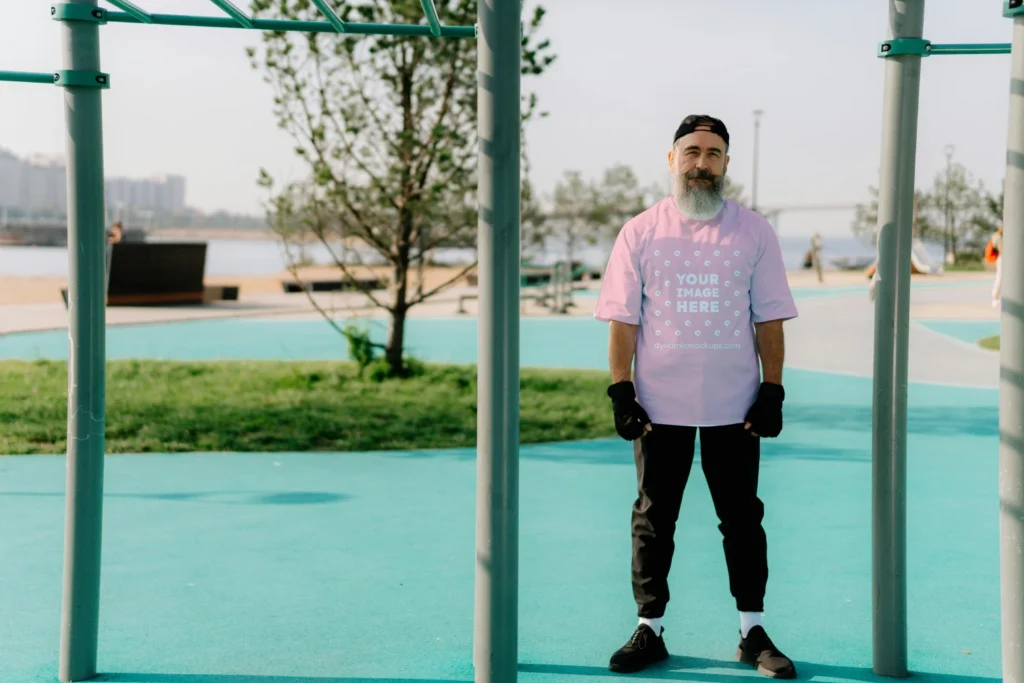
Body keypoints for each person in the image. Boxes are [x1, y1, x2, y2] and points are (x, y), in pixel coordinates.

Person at [594, 114, 799, 678]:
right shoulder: (640, 231)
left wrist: (772, 390)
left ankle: (752, 631)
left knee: (742, 520)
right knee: (654, 519)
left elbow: (771, 317)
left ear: (726, 162)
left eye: (713, 153)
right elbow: (622, 319)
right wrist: (621, 391)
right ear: (671, 160)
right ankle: (649, 629)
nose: (702, 162)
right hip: (661, 410)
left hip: (735, 409)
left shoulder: (754, 231)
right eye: (691, 151)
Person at [991, 225, 1003, 308]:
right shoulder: (997, 237)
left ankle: (996, 298)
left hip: (1004, 258)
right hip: (1002, 258)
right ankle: (995, 298)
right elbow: (1001, 249)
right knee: (1000, 277)